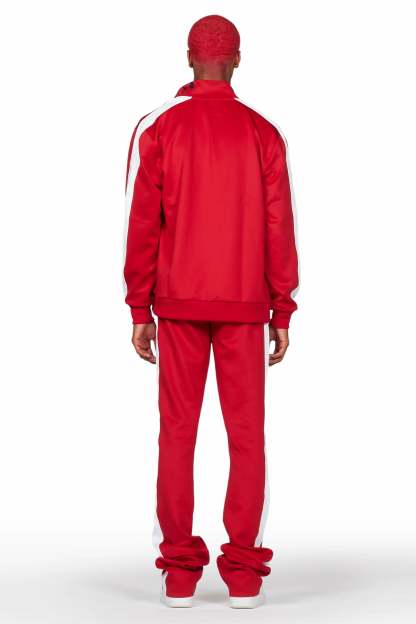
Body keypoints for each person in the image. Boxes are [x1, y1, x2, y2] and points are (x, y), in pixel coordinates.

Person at [123, 14, 299, 609]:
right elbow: (280, 226)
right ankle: (244, 577)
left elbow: (140, 224)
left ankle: (179, 575)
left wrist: (139, 306)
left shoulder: (158, 127)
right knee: (247, 436)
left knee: (177, 432)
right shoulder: (263, 132)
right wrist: (282, 308)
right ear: (238, 59)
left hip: (177, 304)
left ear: (188, 57)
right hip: (246, 306)